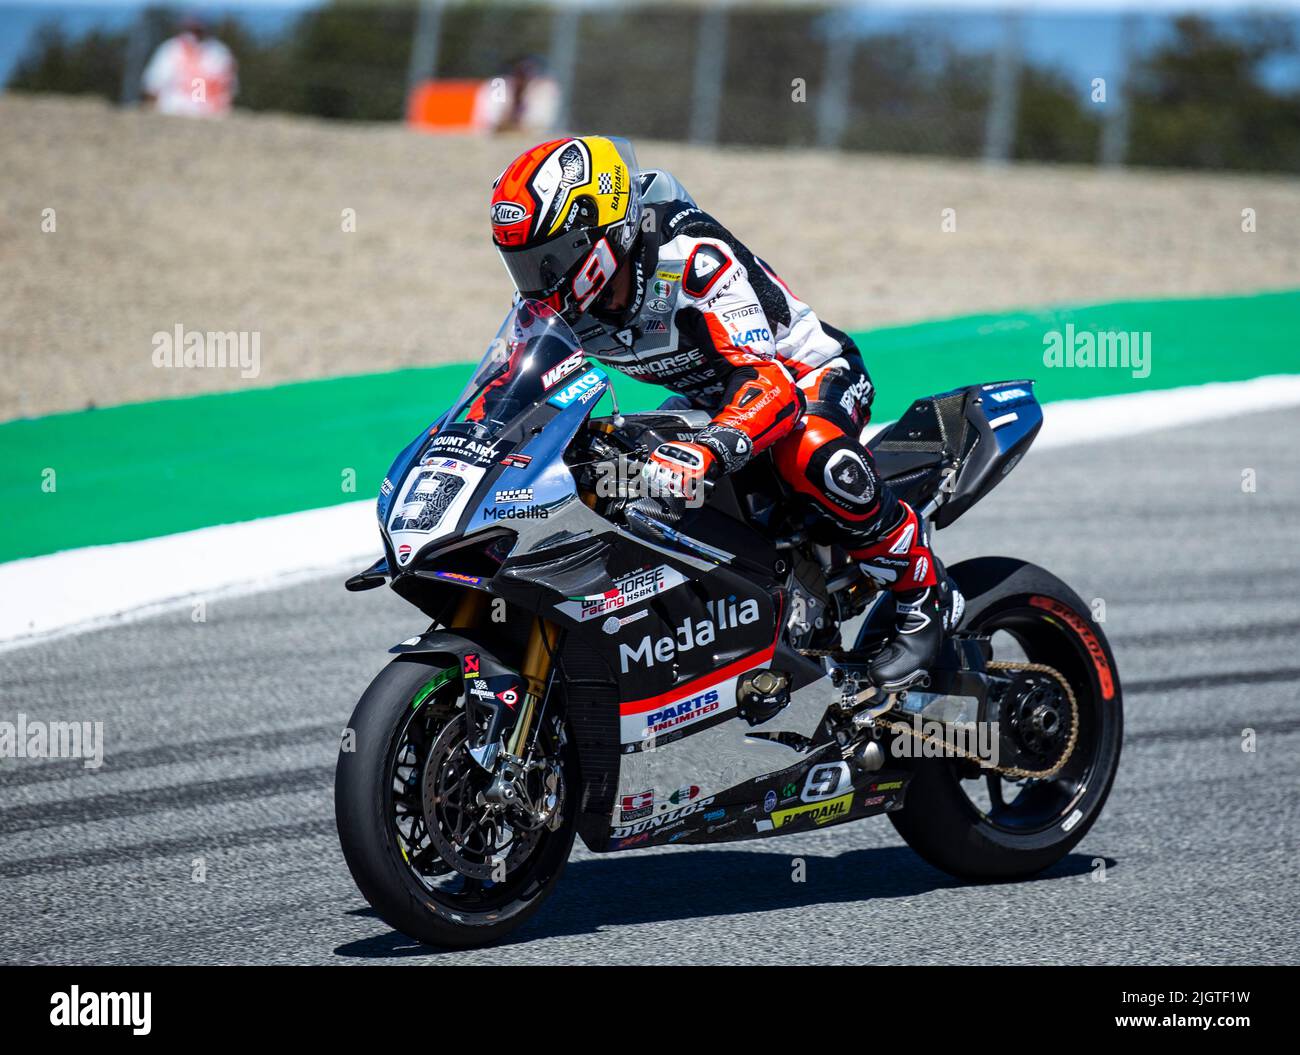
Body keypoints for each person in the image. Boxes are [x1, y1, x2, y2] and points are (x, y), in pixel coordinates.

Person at [488, 136, 958, 689]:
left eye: (549, 258)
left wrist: (711, 445)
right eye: (519, 263)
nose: (536, 280)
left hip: (804, 377)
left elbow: (768, 383)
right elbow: (509, 388)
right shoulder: (552, 303)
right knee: (614, 472)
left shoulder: (690, 258)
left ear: (599, 234)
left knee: (812, 452)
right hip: (704, 401)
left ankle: (921, 592)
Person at [141, 16, 237, 118]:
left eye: (198, 30)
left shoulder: (219, 52)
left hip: (210, 113)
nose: (193, 36)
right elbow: (153, 84)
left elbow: (228, 88)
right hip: (172, 110)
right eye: (192, 30)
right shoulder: (171, 49)